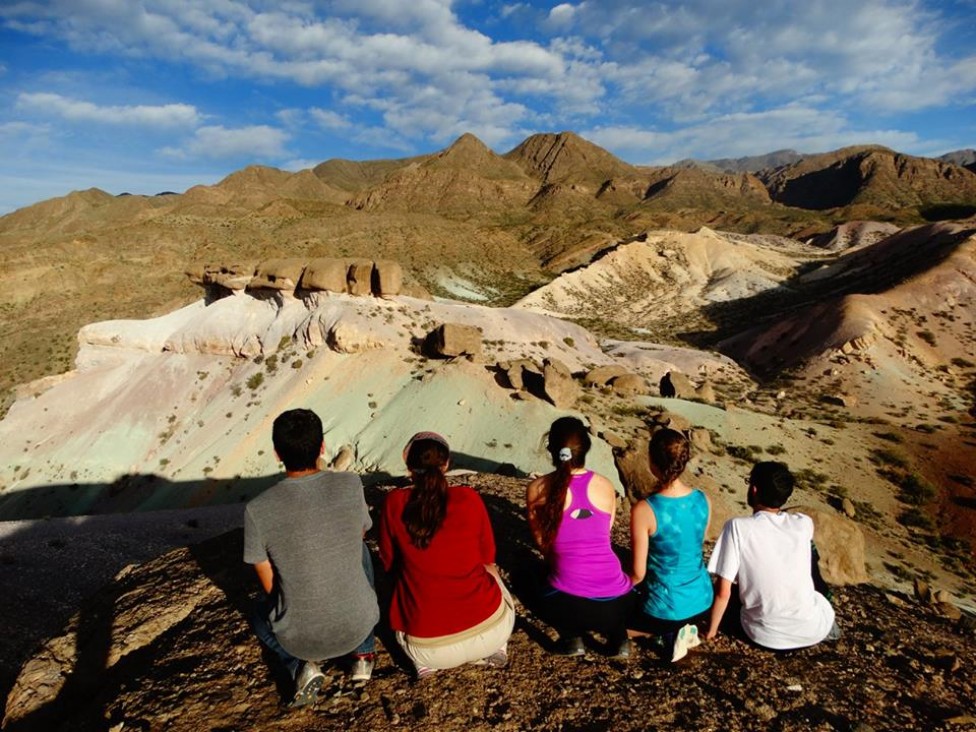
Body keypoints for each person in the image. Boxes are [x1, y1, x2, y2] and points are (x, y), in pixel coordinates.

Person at [244, 408, 379, 707]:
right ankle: (363, 655)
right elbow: (357, 537)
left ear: (277, 454)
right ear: (321, 448)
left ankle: (299, 667)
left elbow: (267, 580)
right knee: (362, 553)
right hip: (360, 624)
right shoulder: (350, 484)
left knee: (256, 611)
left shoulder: (257, 508)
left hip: (300, 642)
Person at [378, 431, 515, 678]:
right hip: (491, 632)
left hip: (428, 649)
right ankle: (497, 647)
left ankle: (424, 666)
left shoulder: (393, 503)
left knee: (397, 586)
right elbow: (488, 559)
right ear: (447, 464)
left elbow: (389, 563)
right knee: (491, 573)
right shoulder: (469, 498)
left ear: (407, 464)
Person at [526, 417, 633, 658]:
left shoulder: (538, 489)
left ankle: (571, 637)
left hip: (570, 605)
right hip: (619, 603)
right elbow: (603, 535)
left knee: (526, 573)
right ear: (586, 448)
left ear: (551, 449)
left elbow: (544, 547)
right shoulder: (606, 486)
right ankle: (620, 639)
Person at [706, 461, 838, 649]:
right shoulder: (804, 523)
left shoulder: (738, 527)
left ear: (754, 489)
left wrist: (711, 632)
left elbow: (723, 592)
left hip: (765, 635)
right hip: (813, 629)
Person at [629, 428, 713, 662]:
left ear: (652, 462)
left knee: (611, 621)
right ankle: (683, 628)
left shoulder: (645, 510)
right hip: (703, 600)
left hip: (665, 607)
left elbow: (637, 573)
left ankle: (666, 633)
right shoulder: (703, 499)